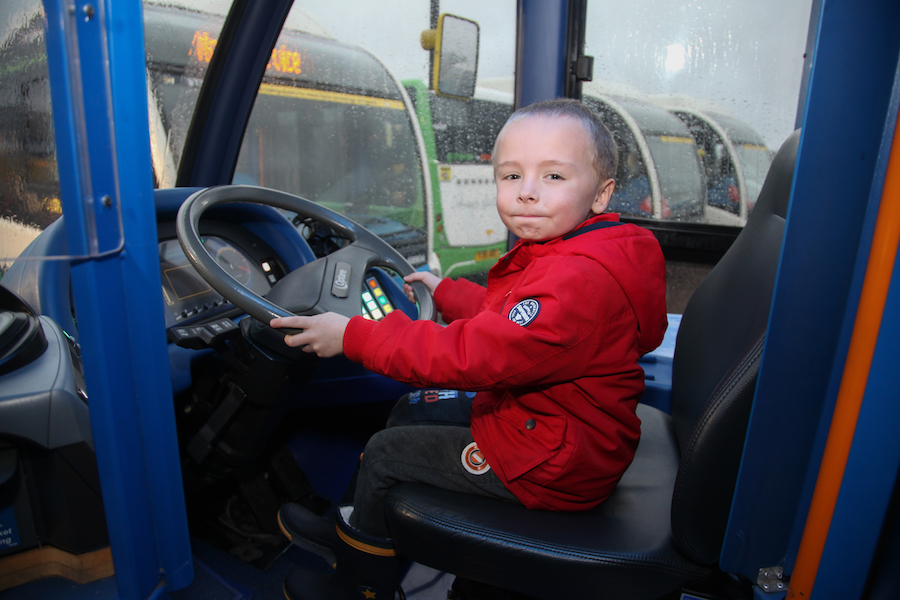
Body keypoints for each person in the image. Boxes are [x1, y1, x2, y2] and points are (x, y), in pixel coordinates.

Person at [269, 98, 668, 600]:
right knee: (410, 408)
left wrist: (353, 336)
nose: (526, 193)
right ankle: (359, 529)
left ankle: (358, 585)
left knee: (386, 454)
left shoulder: (578, 279)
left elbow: (478, 355)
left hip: (550, 464)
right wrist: (450, 294)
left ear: (601, 194)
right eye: (510, 175)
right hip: (555, 428)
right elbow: (518, 320)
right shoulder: (581, 249)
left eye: (553, 177)